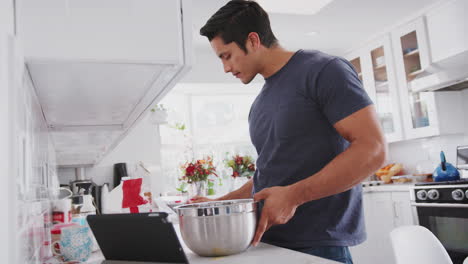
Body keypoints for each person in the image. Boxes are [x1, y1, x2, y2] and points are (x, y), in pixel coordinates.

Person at [191, 1, 387, 263]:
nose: (226, 68)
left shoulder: (324, 70)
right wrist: (219, 203)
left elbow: (373, 149)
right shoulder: (260, 103)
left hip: (319, 246)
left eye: (226, 55)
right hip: (269, 243)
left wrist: (294, 196)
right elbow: (268, 176)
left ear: (252, 40)